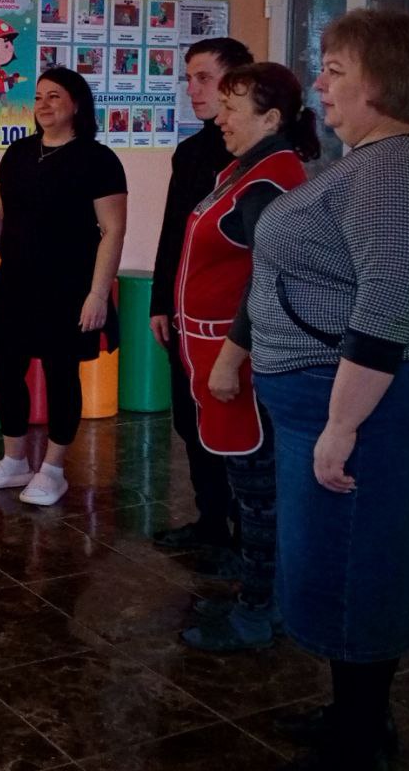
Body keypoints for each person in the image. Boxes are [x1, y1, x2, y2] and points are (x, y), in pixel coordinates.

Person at [249, 8, 409, 771]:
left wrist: (341, 427)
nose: (318, 83)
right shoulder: (378, 161)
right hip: (347, 394)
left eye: (335, 70)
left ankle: (359, 740)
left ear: (382, 83)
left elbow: (384, 314)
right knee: (348, 557)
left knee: (360, 564)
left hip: (367, 403)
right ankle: (354, 715)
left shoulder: (396, 171)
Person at [172, 63, 319, 652]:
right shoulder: (244, 168)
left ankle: (260, 613)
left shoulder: (269, 182)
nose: (221, 118)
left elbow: (271, 280)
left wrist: (231, 360)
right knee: (248, 487)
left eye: (234, 109)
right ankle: (260, 595)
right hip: (213, 351)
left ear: (271, 118)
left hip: (239, 360)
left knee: (259, 495)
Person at [0, 67, 127, 506]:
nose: (43, 104)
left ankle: (53, 469)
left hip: (70, 287)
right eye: (39, 96)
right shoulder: (19, 152)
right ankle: (14, 460)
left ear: (76, 104)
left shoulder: (98, 160)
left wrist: (97, 294)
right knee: (5, 367)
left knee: (62, 374)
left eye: (54, 96)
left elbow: (112, 230)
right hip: (15, 282)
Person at [149, 37, 253, 557]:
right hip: (185, 312)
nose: (192, 90)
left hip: (233, 318)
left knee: (235, 425)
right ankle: (210, 520)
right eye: (188, 79)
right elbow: (175, 233)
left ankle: (246, 535)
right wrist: (159, 302)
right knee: (190, 420)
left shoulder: (255, 156)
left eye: (204, 78)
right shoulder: (191, 152)